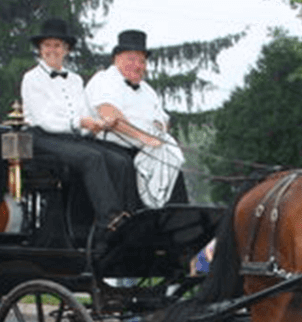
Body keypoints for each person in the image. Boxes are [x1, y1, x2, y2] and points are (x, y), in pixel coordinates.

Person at [20, 18, 132, 239]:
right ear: (40, 49)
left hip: (70, 138)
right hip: (41, 137)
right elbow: (45, 119)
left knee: (121, 160)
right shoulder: (31, 79)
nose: (52, 50)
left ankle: (128, 215)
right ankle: (109, 219)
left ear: (66, 50)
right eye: (47, 45)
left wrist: (96, 126)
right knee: (91, 158)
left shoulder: (76, 80)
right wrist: (80, 123)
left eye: (57, 45)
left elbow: (83, 113)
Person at [85, 29, 185, 209]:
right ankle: (127, 218)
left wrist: (158, 130)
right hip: (110, 147)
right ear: (117, 59)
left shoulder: (148, 91)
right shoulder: (103, 80)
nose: (138, 65)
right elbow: (110, 115)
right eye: (131, 59)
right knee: (124, 164)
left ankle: (175, 216)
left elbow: (163, 121)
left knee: (171, 163)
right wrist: (143, 137)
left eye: (142, 61)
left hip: (146, 149)